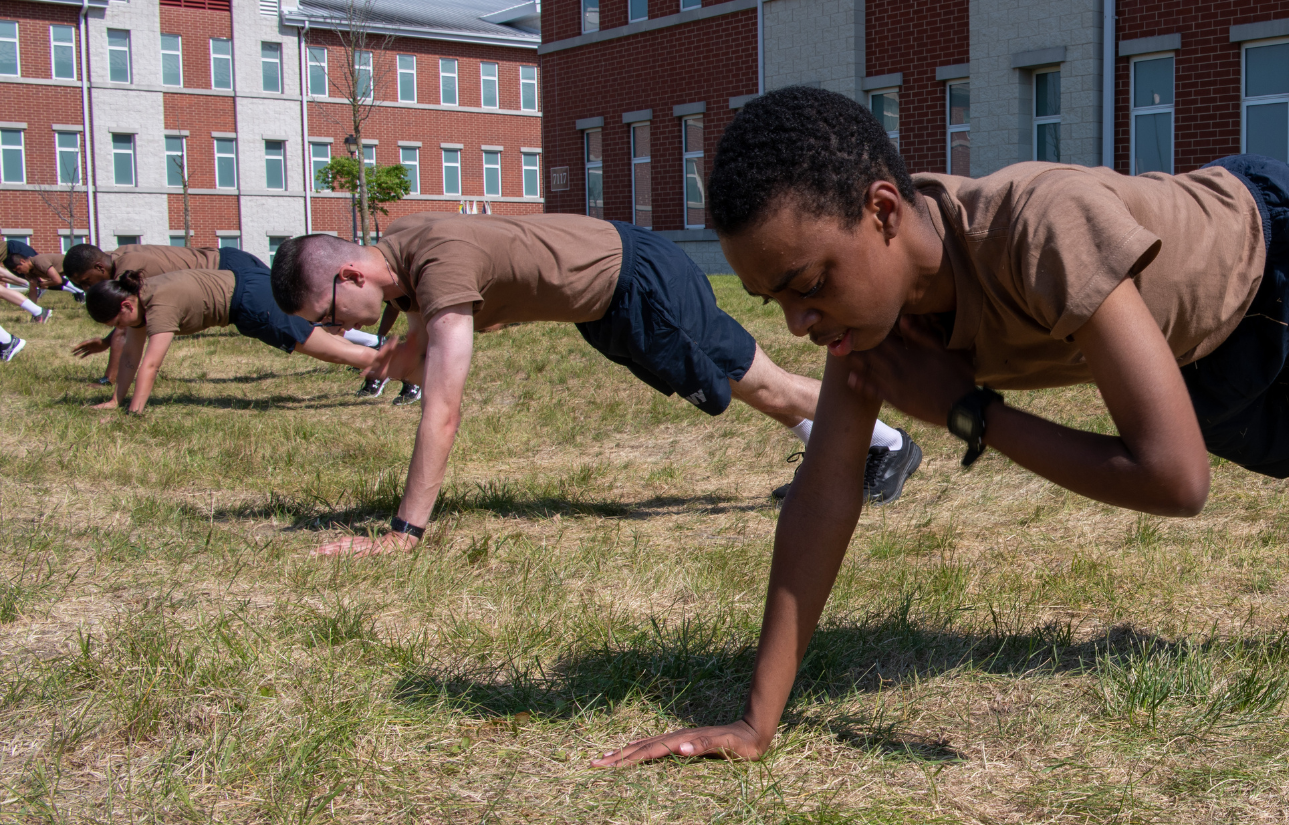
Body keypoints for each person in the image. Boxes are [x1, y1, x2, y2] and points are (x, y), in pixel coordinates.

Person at [590, 87, 1289, 767]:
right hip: (1198, 346)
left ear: (884, 212)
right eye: (774, 300)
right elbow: (824, 496)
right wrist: (757, 720)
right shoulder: (872, 324)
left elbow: (1175, 482)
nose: (799, 322)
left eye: (808, 283)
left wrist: (971, 413)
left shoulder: (1038, 228)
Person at [268, 211, 924, 556]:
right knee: (748, 389)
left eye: (329, 315)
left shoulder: (437, 267)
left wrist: (402, 535)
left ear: (351, 276)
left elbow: (443, 409)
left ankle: (889, 445)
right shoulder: (401, 245)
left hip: (639, 282)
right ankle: (843, 451)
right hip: (606, 302)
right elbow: (422, 348)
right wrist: (398, 357)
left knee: (757, 384)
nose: (336, 328)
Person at [66, 243, 381, 399]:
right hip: (234, 277)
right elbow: (131, 324)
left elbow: (133, 331)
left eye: (85, 281)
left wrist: (111, 382)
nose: (87, 288)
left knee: (302, 324)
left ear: (98, 267)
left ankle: (383, 356)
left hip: (231, 275)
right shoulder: (122, 260)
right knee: (302, 322)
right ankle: (378, 350)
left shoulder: (131, 273)